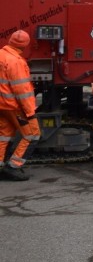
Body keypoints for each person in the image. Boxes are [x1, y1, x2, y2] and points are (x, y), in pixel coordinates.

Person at [0, 30, 41, 181]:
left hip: (2, 106)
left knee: (3, 136)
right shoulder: (16, 62)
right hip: (14, 107)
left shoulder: (1, 55)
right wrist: (30, 112)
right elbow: (22, 91)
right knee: (32, 134)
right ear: (25, 45)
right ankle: (13, 167)